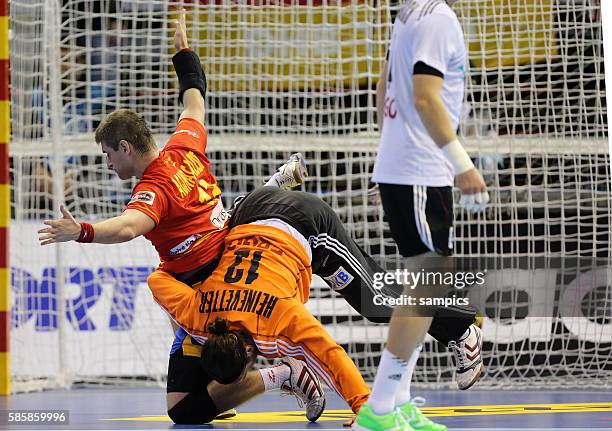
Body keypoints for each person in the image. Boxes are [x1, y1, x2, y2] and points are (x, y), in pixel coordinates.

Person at [37, 9, 316, 425]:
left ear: (126, 147)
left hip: (203, 290)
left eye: (108, 155)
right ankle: (269, 187)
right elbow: (195, 98)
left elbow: (129, 227)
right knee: (202, 369)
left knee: (183, 409)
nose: (108, 164)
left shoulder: (152, 189)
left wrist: (82, 231)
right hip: (227, 255)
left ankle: (283, 373)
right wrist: (183, 52)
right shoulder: (184, 144)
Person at [147, 186, 482, 423]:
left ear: (250, 355)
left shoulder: (278, 317)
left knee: (377, 302)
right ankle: (274, 186)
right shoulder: (198, 312)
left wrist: (364, 408)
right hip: (249, 208)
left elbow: (331, 354)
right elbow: (156, 280)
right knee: (377, 287)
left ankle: (462, 327)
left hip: (306, 226)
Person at [356, 0, 490, 429]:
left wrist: (387, 154)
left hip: (411, 167)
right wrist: (463, 163)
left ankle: (394, 404)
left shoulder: (409, 16)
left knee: (427, 285)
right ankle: (379, 411)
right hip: (419, 168)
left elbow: (385, 89)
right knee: (427, 283)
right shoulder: (436, 18)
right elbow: (423, 96)